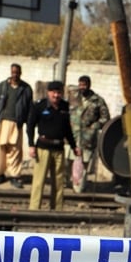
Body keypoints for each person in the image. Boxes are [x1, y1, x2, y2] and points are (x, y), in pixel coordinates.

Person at [27, 81, 80, 211]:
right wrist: (31, 145)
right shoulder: (39, 106)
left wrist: (74, 146)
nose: (56, 95)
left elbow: (67, 129)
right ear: (48, 92)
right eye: (53, 92)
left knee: (59, 182)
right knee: (39, 182)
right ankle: (34, 209)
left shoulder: (64, 107)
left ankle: (56, 209)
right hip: (43, 148)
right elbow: (30, 126)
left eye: (59, 93)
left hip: (58, 149)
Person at [0, 63, 33, 188]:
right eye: (13, 72)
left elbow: (29, 109)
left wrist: (29, 124)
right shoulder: (2, 86)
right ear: (10, 72)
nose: (15, 74)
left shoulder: (26, 89)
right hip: (1, 122)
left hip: (16, 123)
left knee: (15, 151)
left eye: (17, 72)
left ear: (20, 73)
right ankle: (0, 174)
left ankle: (14, 176)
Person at [69, 75, 110, 193]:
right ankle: (71, 183)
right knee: (70, 161)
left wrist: (94, 126)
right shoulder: (73, 98)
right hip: (73, 136)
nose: (82, 87)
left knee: (84, 162)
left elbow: (105, 118)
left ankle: (80, 187)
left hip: (87, 137)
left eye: (84, 85)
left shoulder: (97, 101)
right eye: (80, 84)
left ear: (89, 85)